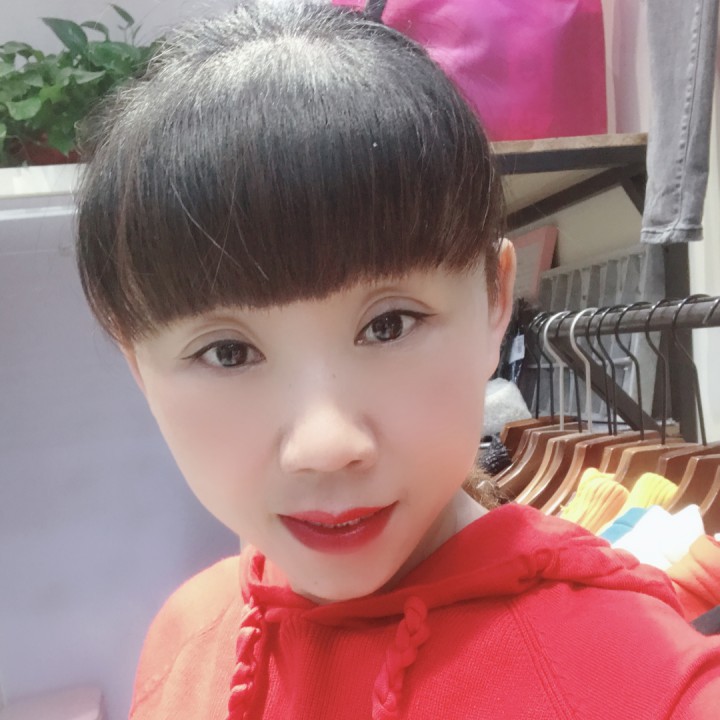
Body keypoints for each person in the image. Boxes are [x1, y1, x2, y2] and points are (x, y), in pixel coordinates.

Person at [75, 2, 720, 718]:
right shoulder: (183, 637)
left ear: (496, 300)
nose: (327, 444)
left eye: (388, 325)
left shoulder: (643, 683)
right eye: (229, 352)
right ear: (137, 365)